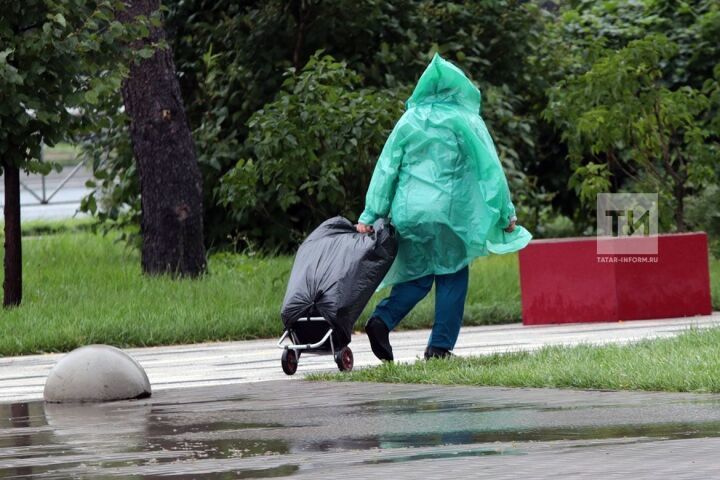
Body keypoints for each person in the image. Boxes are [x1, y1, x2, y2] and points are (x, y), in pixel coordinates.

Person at [356, 53, 532, 361]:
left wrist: (371, 214)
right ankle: (439, 347)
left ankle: (381, 320)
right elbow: (490, 169)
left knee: (417, 274)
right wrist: (506, 213)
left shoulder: (408, 121)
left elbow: (386, 169)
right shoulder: (465, 121)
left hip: (409, 213)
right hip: (450, 215)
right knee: (452, 275)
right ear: (459, 88)